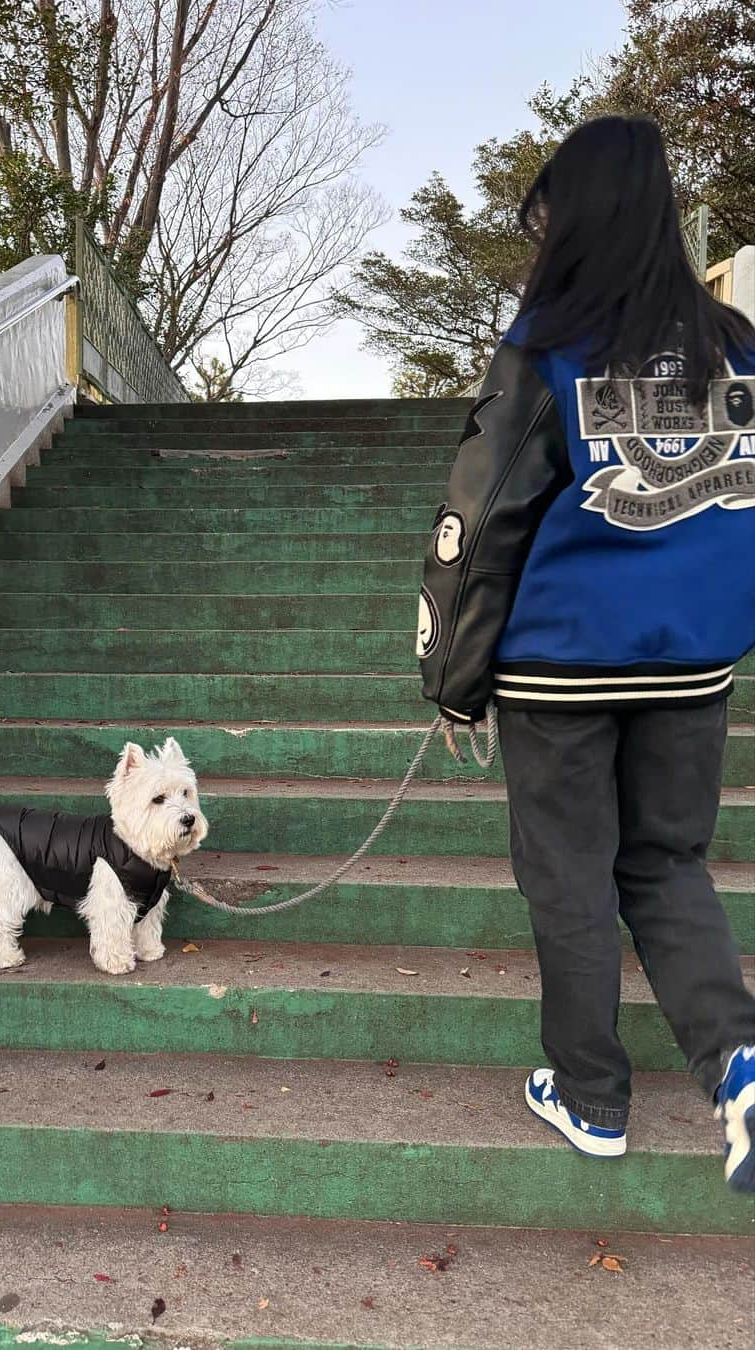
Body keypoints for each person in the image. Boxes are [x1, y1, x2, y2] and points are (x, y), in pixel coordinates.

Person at [417, 115, 755, 1192]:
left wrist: (453, 681)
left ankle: (592, 1098)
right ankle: (740, 1065)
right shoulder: (739, 349)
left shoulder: (547, 348)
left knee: (568, 878)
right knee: (665, 867)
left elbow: (487, 526)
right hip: (694, 663)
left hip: (561, 665)